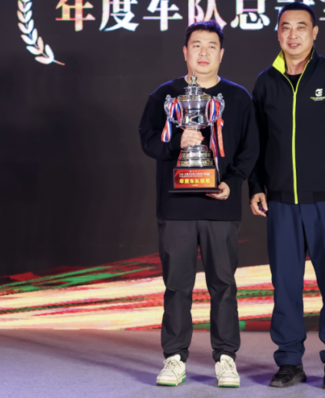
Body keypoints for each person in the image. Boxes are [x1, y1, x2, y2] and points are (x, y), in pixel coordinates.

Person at [248, 3, 325, 390]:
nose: (293, 34)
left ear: (315, 32)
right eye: (286, 27)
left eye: (301, 27)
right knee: (285, 286)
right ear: (277, 33)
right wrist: (256, 187)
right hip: (281, 203)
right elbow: (255, 145)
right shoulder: (265, 82)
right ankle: (289, 361)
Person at [139, 20, 259, 388]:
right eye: (196, 45)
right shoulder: (165, 95)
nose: (203, 52)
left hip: (220, 207)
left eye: (211, 46)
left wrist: (231, 183)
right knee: (177, 285)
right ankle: (174, 357)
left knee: (223, 284)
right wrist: (176, 142)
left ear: (221, 53)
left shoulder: (237, 98)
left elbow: (250, 149)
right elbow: (147, 140)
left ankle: (225, 357)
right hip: (175, 207)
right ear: (185, 51)